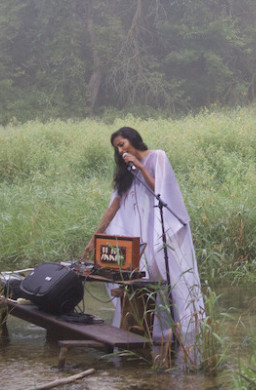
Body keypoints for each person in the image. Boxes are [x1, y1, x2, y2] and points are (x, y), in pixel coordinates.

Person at [82, 126, 205, 368]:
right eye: (117, 147)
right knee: (138, 281)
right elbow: (114, 206)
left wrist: (139, 165)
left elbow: (160, 189)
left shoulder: (157, 157)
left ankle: (175, 332)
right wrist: (95, 237)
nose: (121, 149)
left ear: (132, 139)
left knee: (162, 278)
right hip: (137, 235)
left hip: (157, 229)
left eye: (122, 143)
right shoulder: (125, 172)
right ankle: (144, 333)